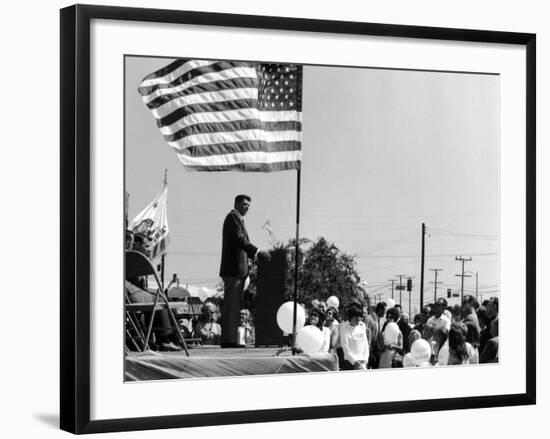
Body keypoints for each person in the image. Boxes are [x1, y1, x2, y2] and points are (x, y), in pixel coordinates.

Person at [219, 194, 270, 348]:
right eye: (245, 204)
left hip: (238, 271)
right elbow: (241, 240)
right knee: (231, 307)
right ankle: (228, 340)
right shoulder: (232, 218)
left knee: (234, 307)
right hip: (233, 270)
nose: (247, 207)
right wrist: (257, 251)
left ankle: (231, 338)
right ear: (237, 204)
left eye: (249, 205)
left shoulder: (239, 220)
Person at [339, 302, 369, 370]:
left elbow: (365, 345)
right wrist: (355, 362)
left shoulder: (362, 326)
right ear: (350, 316)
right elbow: (346, 349)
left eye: (360, 316)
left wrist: (365, 361)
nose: (359, 319)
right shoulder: (344, 327)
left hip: (363, 363)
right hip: (349, 364)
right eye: (356, 316)